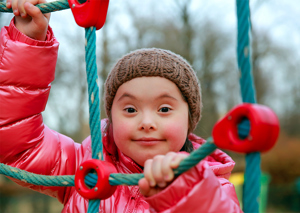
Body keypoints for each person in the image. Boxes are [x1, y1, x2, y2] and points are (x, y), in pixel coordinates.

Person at [0, 0, 242, 212]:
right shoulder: (84, 165)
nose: (147, 123)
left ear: (190, 120)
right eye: (130, 110)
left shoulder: (212, 186)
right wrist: (27, 39)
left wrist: (187, 192)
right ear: (111, 118)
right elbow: (17, 145)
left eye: (164, 109)